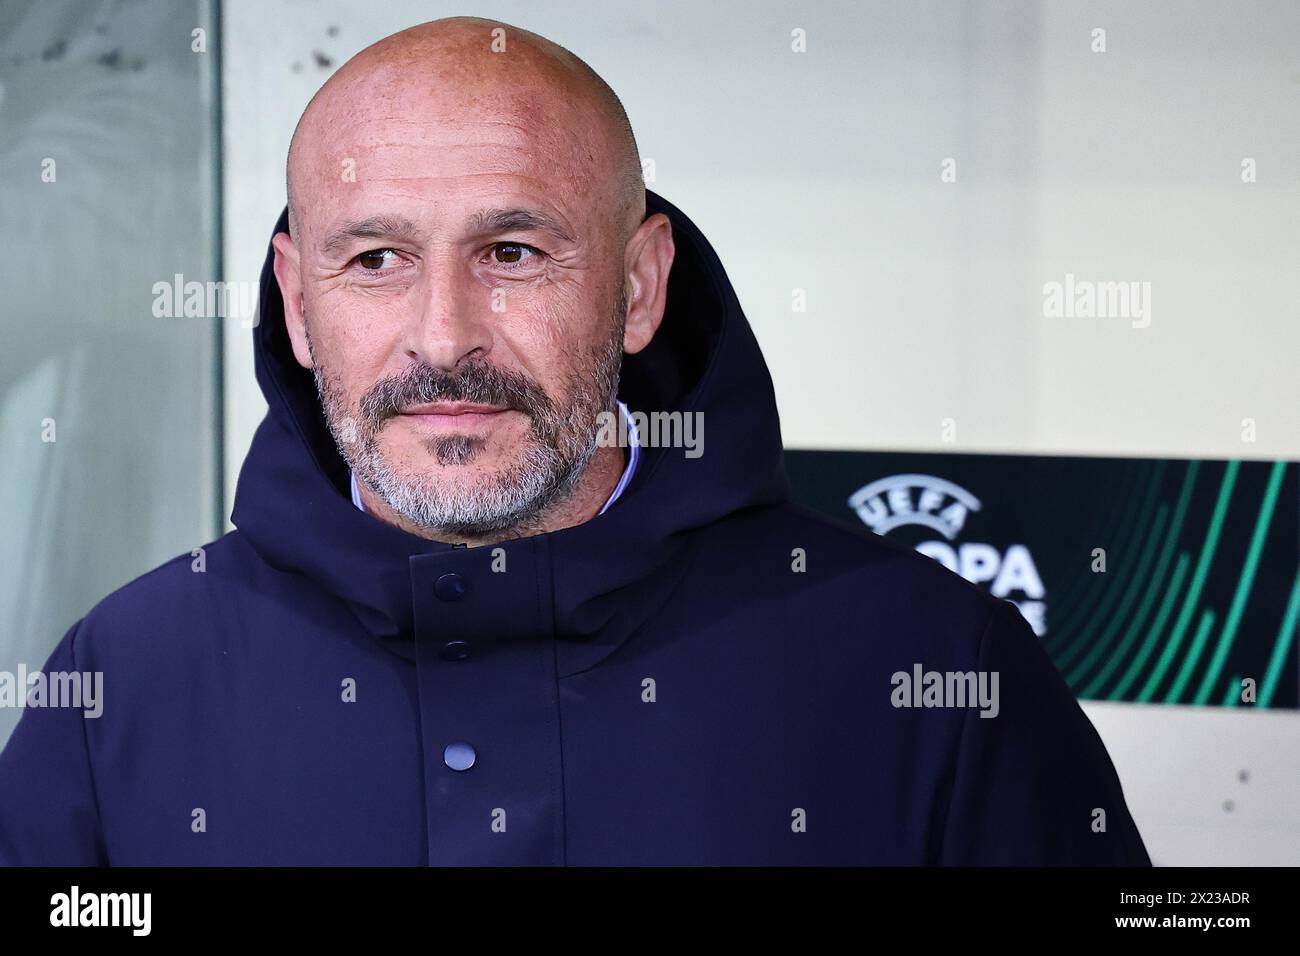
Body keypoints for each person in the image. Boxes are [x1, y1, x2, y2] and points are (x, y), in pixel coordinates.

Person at [0, 16, 1151, 865]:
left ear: (641, 286)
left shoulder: (936, 672)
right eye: (376, 259)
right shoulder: (120, 685)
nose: (443, 337)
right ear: (298, 305)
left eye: (512, 252)